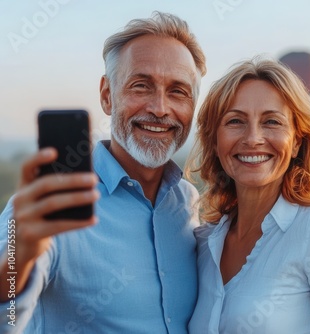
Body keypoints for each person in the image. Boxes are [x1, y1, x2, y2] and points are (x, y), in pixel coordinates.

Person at [0, 11, 206, 333]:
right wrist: (20, 257)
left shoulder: (187, 201)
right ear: (107, 95)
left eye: (178, 91)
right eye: (141, 86)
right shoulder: (50, 204)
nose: (160, 108)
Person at [187, 57, 310, 333]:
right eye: (235, 121)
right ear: (214, 141)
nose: (253, 138)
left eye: (271, 122)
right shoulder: (204, 242)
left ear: (297, 140)